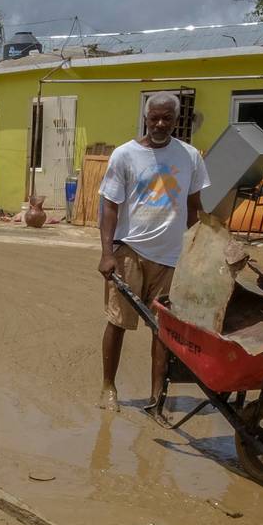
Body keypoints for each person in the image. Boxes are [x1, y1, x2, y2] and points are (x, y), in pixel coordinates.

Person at [95, 92, 208, 415]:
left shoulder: (190, 157)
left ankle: (157, 397)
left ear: (176, 120)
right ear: (145, 118)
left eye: (167, 119)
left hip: (171, 258)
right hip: (130, 251)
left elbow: (194, 208)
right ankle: (108, 386)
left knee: (163, 331)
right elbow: (110, 209)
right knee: (118, 322)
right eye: (154, 118)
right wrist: (107, 253)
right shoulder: (125, 155)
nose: (160, 124)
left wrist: (197, 251)